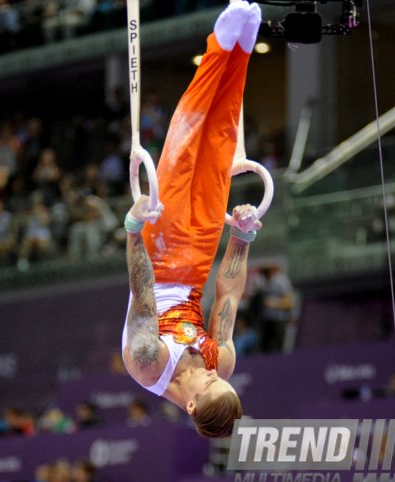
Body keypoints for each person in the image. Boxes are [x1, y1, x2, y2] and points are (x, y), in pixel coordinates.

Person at [121, 1, 263, 439]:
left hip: (160, 255)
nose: (216, 371)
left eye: (211, 382)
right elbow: (228, 296)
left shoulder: (147, 361)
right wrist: (240, 237)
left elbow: (143, 294)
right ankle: (241, 49)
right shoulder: (220, 361)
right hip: (198, 263)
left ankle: (219, 44)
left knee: (184, 145)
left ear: (191, 403)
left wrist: (132, 228)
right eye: (223, 379)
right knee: (219, 148)